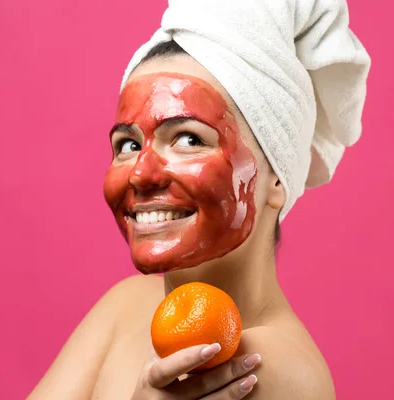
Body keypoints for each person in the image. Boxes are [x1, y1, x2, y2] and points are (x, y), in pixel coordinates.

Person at [29, 0, 370, 398]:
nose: (141, 172)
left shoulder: (259, 369)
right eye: (127, 144)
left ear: (276, 177)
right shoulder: (125, 307)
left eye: (189, 139)